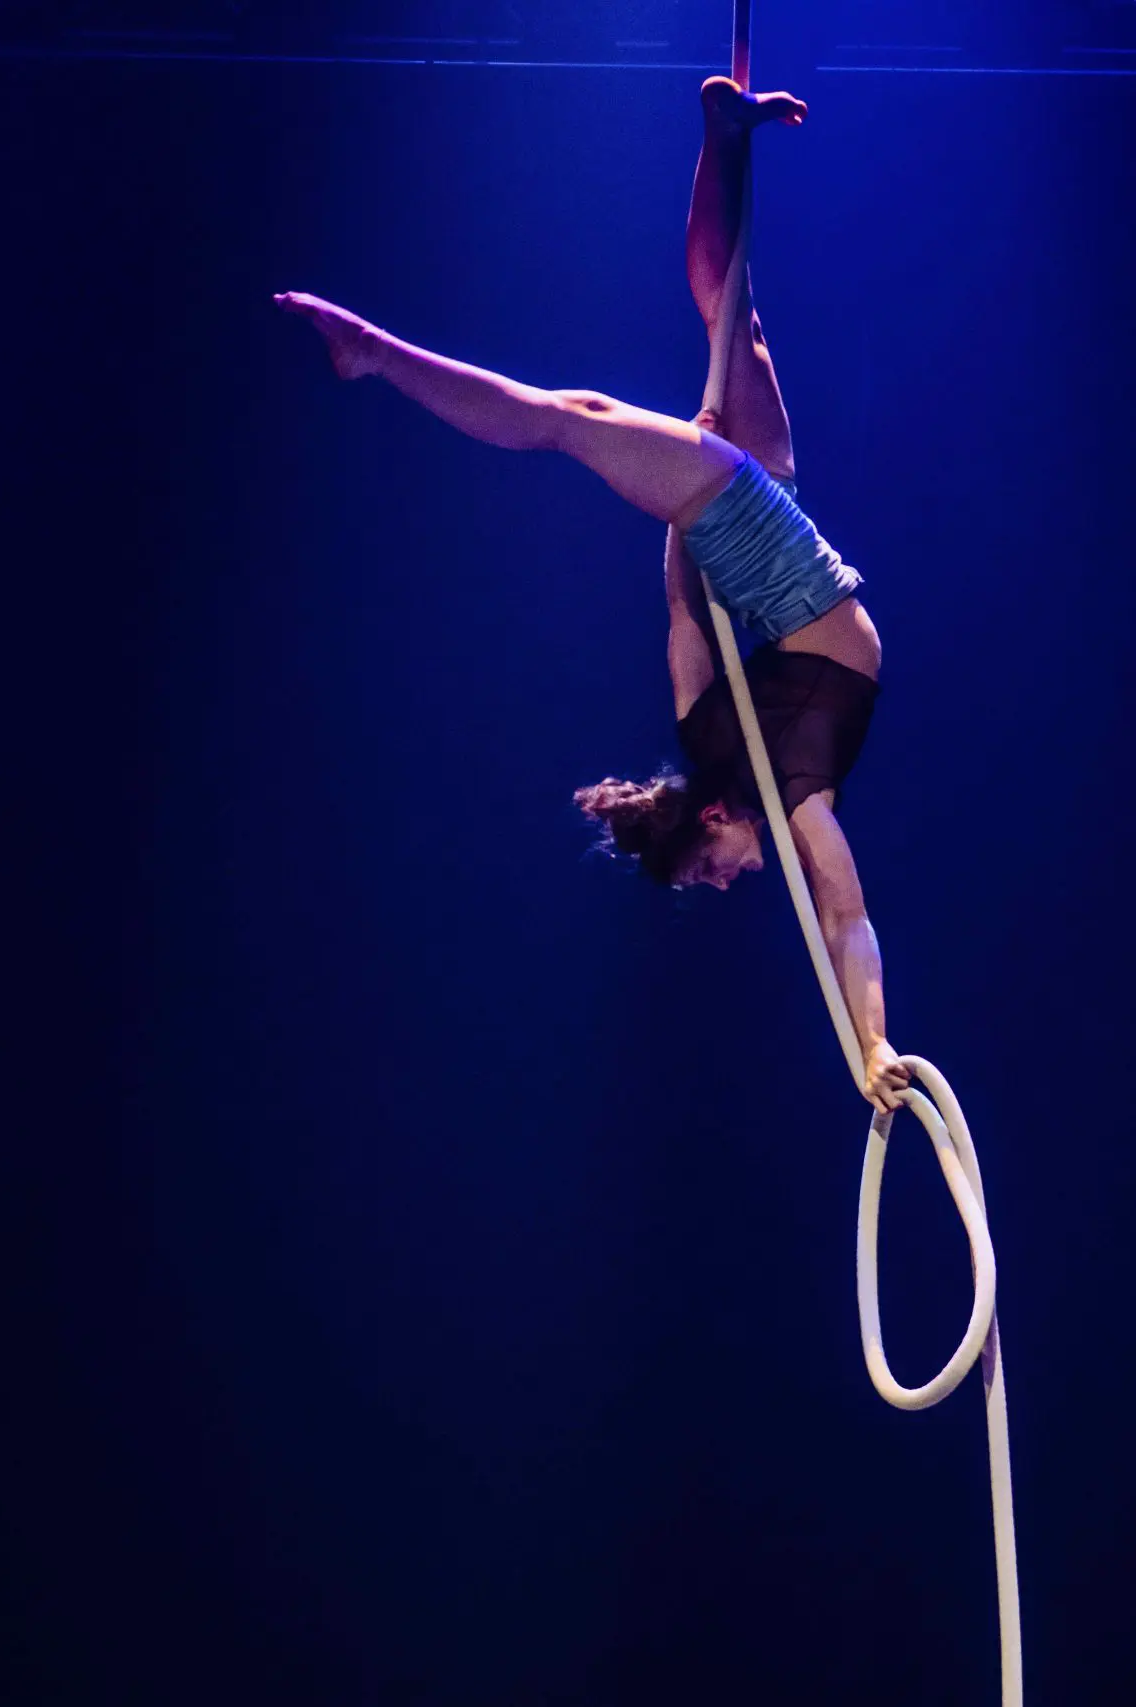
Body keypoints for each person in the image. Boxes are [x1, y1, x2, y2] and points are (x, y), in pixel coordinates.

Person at [276, 78, 911, 1113]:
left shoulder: (726, 746)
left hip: (753, 538)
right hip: (771, 541)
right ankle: (380, 350)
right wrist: (874, 1046)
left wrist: (692, 490)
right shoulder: (794, 801)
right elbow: (847, 920)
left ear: (705, 816)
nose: (733, 881)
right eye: (718, 875)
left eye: (709, 870)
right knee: (660, 365)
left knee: (640, 378)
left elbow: (681, 609)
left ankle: (380, 349)